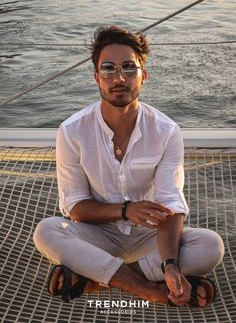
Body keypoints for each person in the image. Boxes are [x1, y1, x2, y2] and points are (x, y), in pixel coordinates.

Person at [33, 25, 224, 307]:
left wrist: (170, 262)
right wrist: (125, 210)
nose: (119, 78)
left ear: (143, 76)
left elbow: (170, 203)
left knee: (210, 245)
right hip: (98, 234)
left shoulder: (166, 131)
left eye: (129, 68)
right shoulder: (72, 131)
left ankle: (95, 279)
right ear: (96, 76)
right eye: (108, 69)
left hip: (150, 236)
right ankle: (148, 289)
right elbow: (75, 208)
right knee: (47, 231)